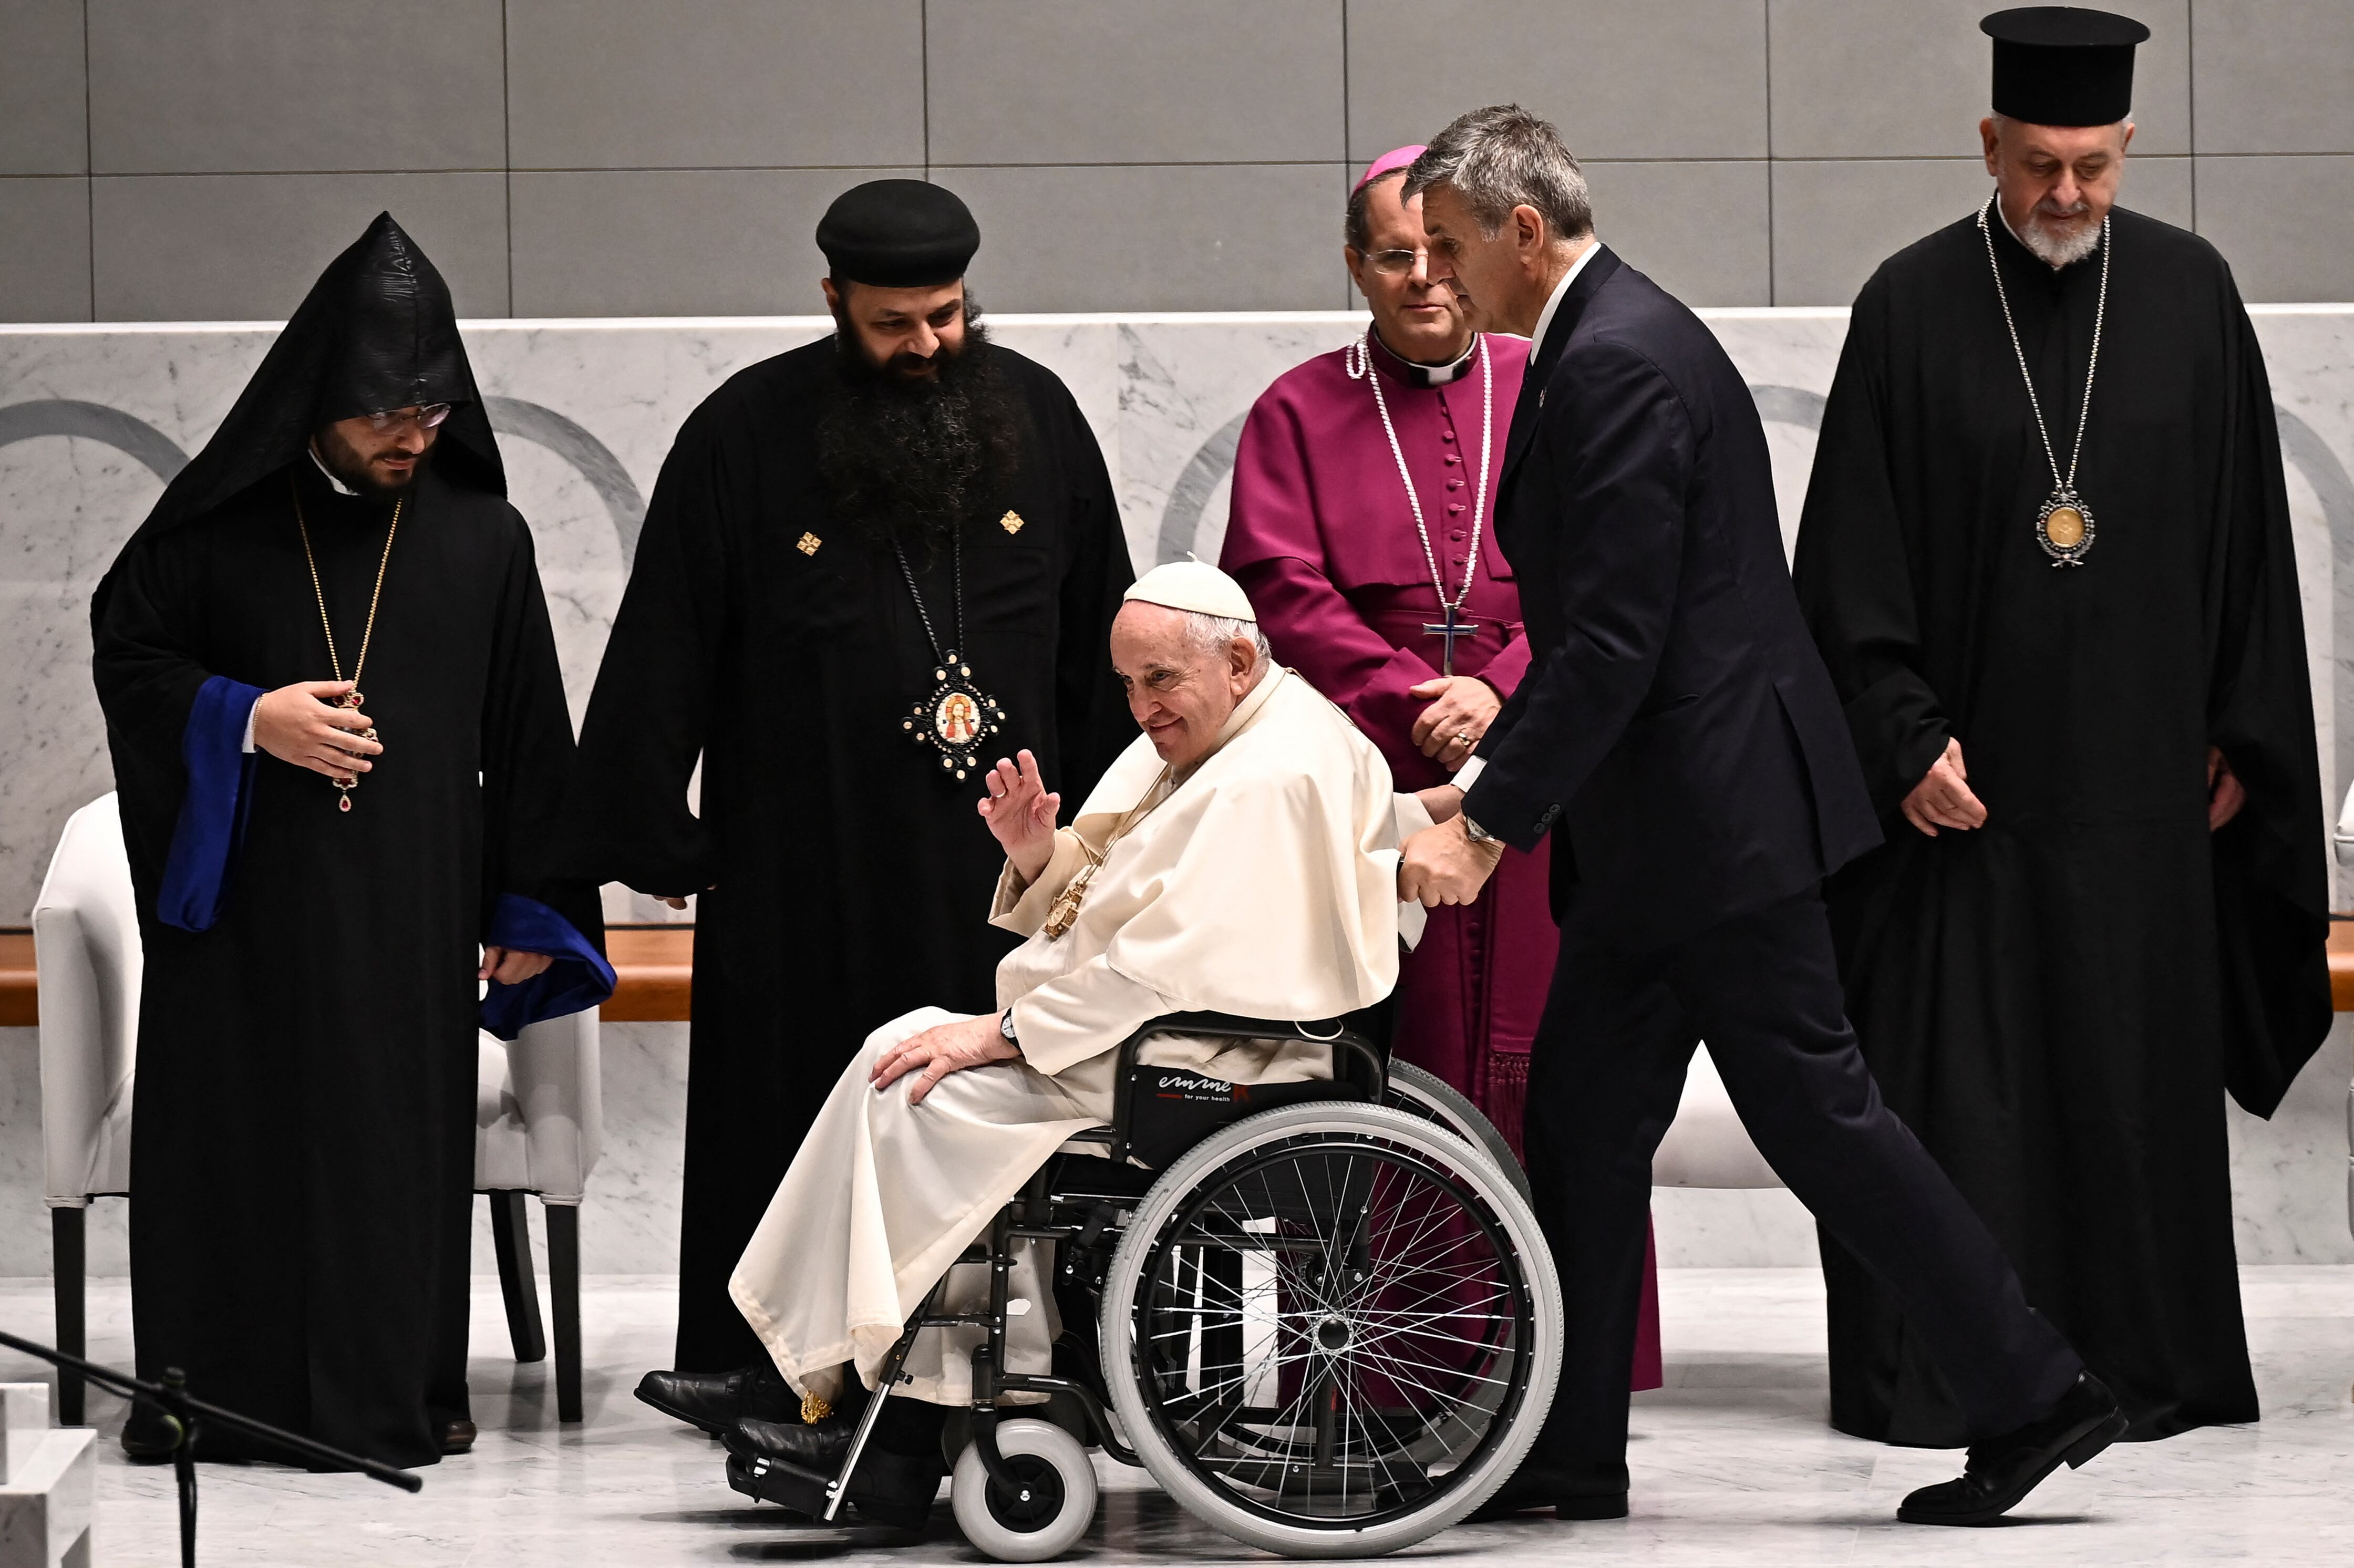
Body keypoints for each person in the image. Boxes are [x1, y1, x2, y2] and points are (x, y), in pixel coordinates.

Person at [1396, 105, 2119, 1527]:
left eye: (1451, 244)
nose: (1438, 274)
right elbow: (1616, 637)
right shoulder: (1603, 341)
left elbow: (1614, 641)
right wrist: (1483, 785)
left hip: (1712, 833)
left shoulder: (1616, 361)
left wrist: (1483, 824)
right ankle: (1567, 1450)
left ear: (1522, 231)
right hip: (1670, 836)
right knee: (1586, 1121)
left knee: (1819, 1118)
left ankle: (2037, 1392)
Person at [1791, 8, 2329, 1449]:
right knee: (1967, 1105)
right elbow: (1846, 560)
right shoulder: (1907, 305)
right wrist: (1900, 738)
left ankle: (2149, 1368)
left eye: (2093, 165)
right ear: (1989, 145)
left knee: (2126, 1094)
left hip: (2145, 801)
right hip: (1964, 809)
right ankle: (1971, 1376)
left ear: (2128, 147)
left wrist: (2243, 734)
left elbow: (2247, 546)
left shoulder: (2192, 293)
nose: (2067, 193)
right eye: (2039, 164)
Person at [565, 179, 1136, 1432]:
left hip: (1000, 876)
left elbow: (1101, 647)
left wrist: (1119, 834)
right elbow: (667, 636)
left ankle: (1002, 1378)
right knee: (790, 1111)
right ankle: (771, 1377)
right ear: (833, 301)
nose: (925, 345)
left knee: (989, 1128)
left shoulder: (1039, 419)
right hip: (803, 867)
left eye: (946, 316)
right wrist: (651, 824)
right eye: (892, 324)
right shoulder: (743, 432)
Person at [721, 561, 1428, 1521]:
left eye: (1159, 680)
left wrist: (1010, 1033)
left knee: (923, 1098)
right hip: (1155, 1038)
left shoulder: (1273, 772)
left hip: (1213, 1060)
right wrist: (1037, 856)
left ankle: (889, 1433)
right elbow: (1125, 899)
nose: (1142, 709)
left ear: (1236, 658)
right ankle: (803, 1368)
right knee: (901, 1050)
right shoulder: (1227, 728)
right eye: (1128, 684)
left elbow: (1161, 969)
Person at [90, 213, 610, 1469]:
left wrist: (527, 907)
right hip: (248, 920)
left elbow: (529, 732)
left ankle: (397, 1392)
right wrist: (247, 716)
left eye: (432, 412)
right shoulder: (215, 527)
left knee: (387, 1151)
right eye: (385, 412)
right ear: (317, 396)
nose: (412, 437)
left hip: (405, 908)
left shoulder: (483, 537)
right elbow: (130, 655)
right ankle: (214, 1395)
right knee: (240, 1147)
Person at [1221, 144, 1660, 1390]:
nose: (1423, 278)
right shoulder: (1297, 409)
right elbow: (1278, 587)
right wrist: (1413, 698)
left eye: (1439, 252)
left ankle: (1567, 1352)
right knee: (1385, 1050)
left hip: (1542, 765)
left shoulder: (1554, 381)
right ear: (1353, 266)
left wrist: (1505, 686)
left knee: (1555, 1049)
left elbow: (1610, 568)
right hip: (1374, 778)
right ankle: (1386, 1358)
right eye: (1392, 256)